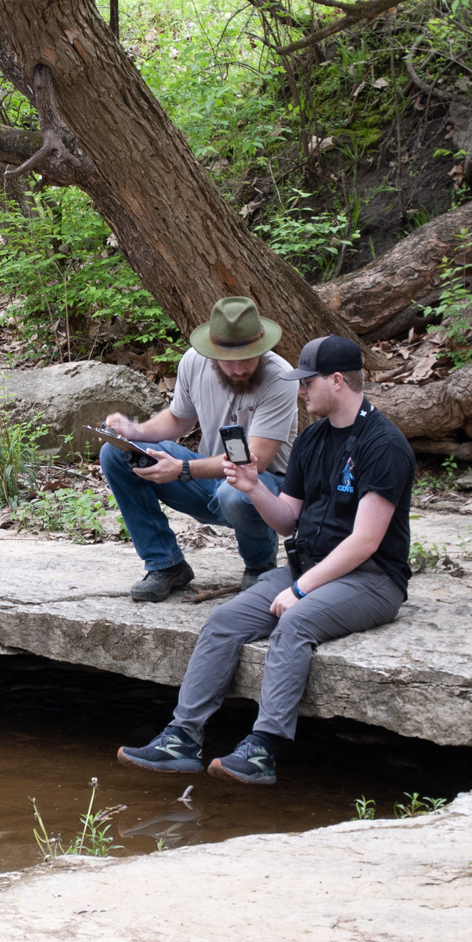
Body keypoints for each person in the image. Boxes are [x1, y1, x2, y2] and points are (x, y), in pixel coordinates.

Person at [116, 335, 415, 784]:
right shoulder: (314, 439)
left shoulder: (383, 445)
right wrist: (254, 487)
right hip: (310, 566)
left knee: (295, 624)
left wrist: (300, 589)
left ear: (337, 381)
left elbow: (366, 542)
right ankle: (182, 738)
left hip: (371, 579)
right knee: (223, 621)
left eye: (307, 382)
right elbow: (288, 521)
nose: (301, 391)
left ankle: (263, 748)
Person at [100, 296, 299, 602]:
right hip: (206, 478)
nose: (238, 369)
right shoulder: (194, 361)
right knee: (116, 453)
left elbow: (253, 462)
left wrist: (182, 469)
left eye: (249, 357)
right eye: (228, 360)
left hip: (264, 488)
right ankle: (165, 564)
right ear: (212, 352)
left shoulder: (281, 377)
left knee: (236, 490)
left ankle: (260, 567)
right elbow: (179, 419)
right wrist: (134, 431)